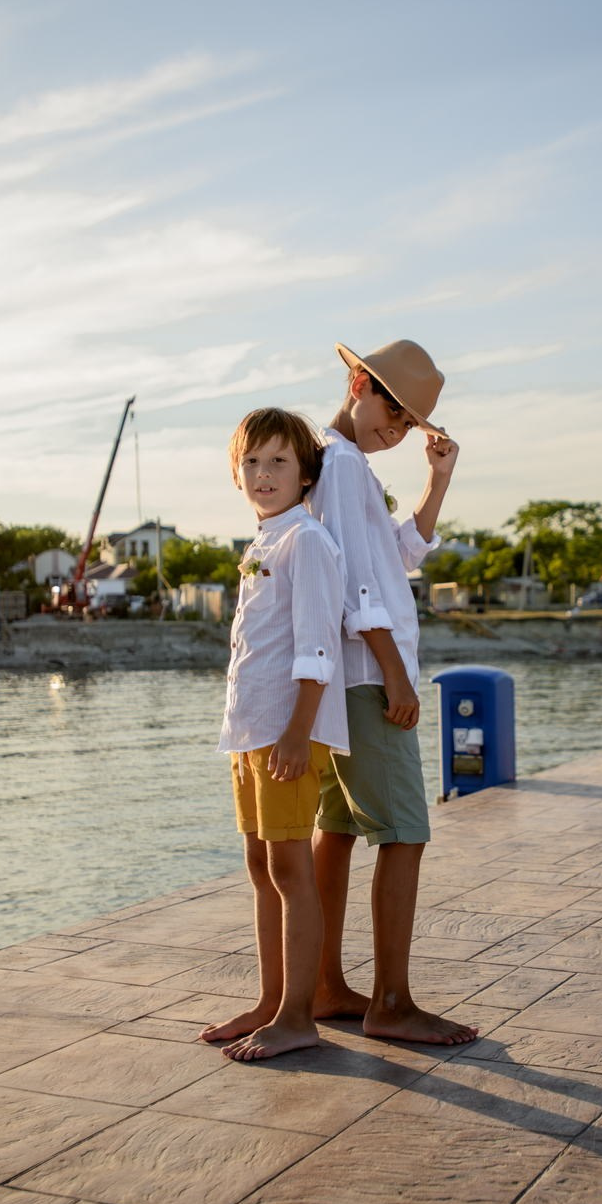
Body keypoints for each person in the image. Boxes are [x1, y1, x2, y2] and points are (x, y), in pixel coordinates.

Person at [308, 339, 478, 1046]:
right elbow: (357, 585)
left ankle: (324, 985)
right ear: (359, 384)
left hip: (338, 677)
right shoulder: (343, 465)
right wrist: (396, 673)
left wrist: (437, 482)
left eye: (411, 422)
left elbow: (397, 554)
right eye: (396, 412)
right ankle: (391, 1003)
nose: (401, 430)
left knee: (337, 829)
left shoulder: (337, 461)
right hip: (368, 674)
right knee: (404, 832)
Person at [201, 407, 349, 1062]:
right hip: (249, 730)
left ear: (305, 474)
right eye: (252, 461)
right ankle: (269, 1000)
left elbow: (317, 645)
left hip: (287, 730)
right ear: (237, 474)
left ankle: (298, 1014)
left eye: (279, 461)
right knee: (261, 866)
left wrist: (297, 732)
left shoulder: (305, 541)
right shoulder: (263, 542)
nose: (263, 473)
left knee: (291, 868)